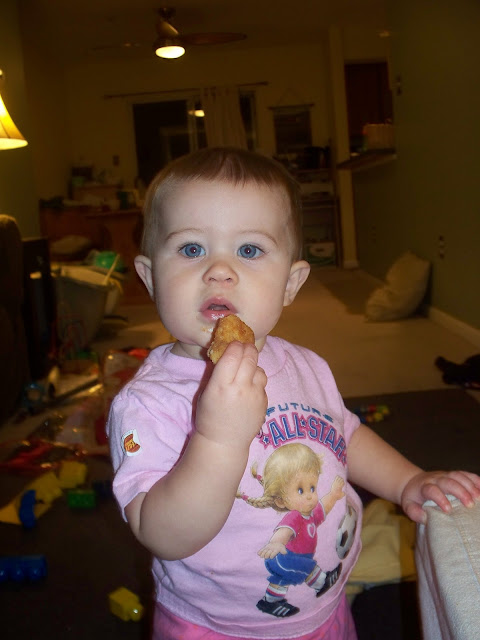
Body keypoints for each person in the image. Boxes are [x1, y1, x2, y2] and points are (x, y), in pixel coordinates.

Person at [107, 147, 480, 640]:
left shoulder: (305, 364)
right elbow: (163, 535)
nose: (220, 271)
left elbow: (344, 435)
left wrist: (408, 481)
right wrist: (219, 440)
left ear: (290, 283)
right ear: (150, 277)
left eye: (249, 250)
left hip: (324, 604)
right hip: (220, 626)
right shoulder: (148, 403)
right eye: (192, 249)